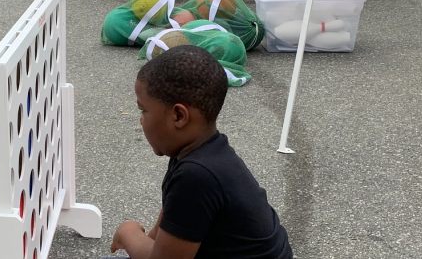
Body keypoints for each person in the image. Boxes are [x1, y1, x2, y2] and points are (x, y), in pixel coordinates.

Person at [110, 46, 293, 259]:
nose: (141, 119)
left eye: (144, 110)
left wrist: (128, 232)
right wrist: (146, 243)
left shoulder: (197, 176)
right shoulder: (200, 153)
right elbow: (174, 220)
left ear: (179, 116)